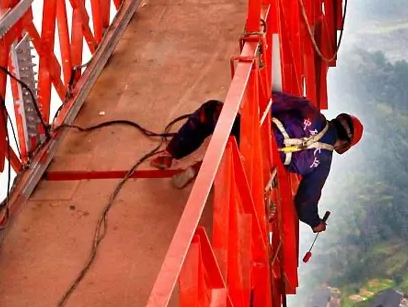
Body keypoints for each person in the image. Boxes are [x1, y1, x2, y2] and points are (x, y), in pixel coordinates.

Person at [152, 91, 363, 233]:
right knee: (252, 179)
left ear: (336, 119)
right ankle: (206, 167)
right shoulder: (323, 163)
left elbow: (268, 98)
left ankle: (171, 154)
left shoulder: (308, 110)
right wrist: (315, 223)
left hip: (250, 136)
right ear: (343, 145)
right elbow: (305, 203)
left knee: (211, 111)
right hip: (258, 172)